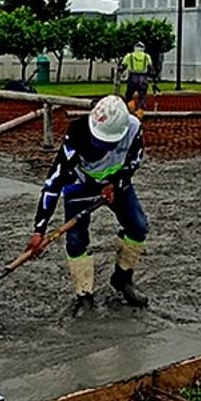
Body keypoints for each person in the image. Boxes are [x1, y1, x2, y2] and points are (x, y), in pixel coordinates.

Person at [27, 95, 149, 313]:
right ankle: (84, 294)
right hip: (81, 185)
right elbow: (54, 182)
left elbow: (135, 159)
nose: (98, 145)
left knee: (138, 227)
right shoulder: (76, 134)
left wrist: (116, 183)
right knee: (76, 241)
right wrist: (39, 229)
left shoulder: (132, 129)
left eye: (104, 142)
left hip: (115, 184)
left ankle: (122, 279)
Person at [120, 41, 154, 119]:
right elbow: (151, 68)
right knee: (142, 96)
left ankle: (132, 109)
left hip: (132, 77)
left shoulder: (129, 56)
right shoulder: (146, 56)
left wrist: (120, 71)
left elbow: (123, 65)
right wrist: (153, 75)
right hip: (143, 77)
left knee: (128, 95)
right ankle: (140, 114)